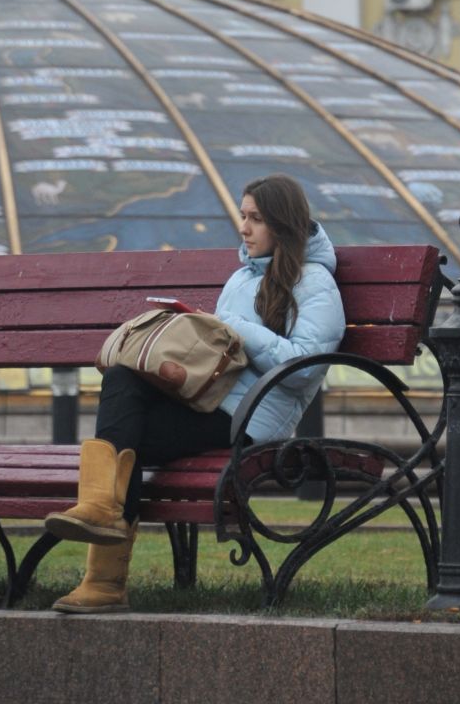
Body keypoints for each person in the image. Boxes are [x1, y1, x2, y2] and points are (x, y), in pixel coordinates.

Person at [45, 173, 345, 615]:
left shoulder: (315, 283)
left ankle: (104, 576)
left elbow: (303, 369)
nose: (243, 228)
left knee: (124, 438)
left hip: (250, 417)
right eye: (242, 217)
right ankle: (100, 511)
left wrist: (240, 330)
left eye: (255, 219)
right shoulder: (241, 278)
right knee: (123, 379)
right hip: (208, 401)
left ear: (283, 224)